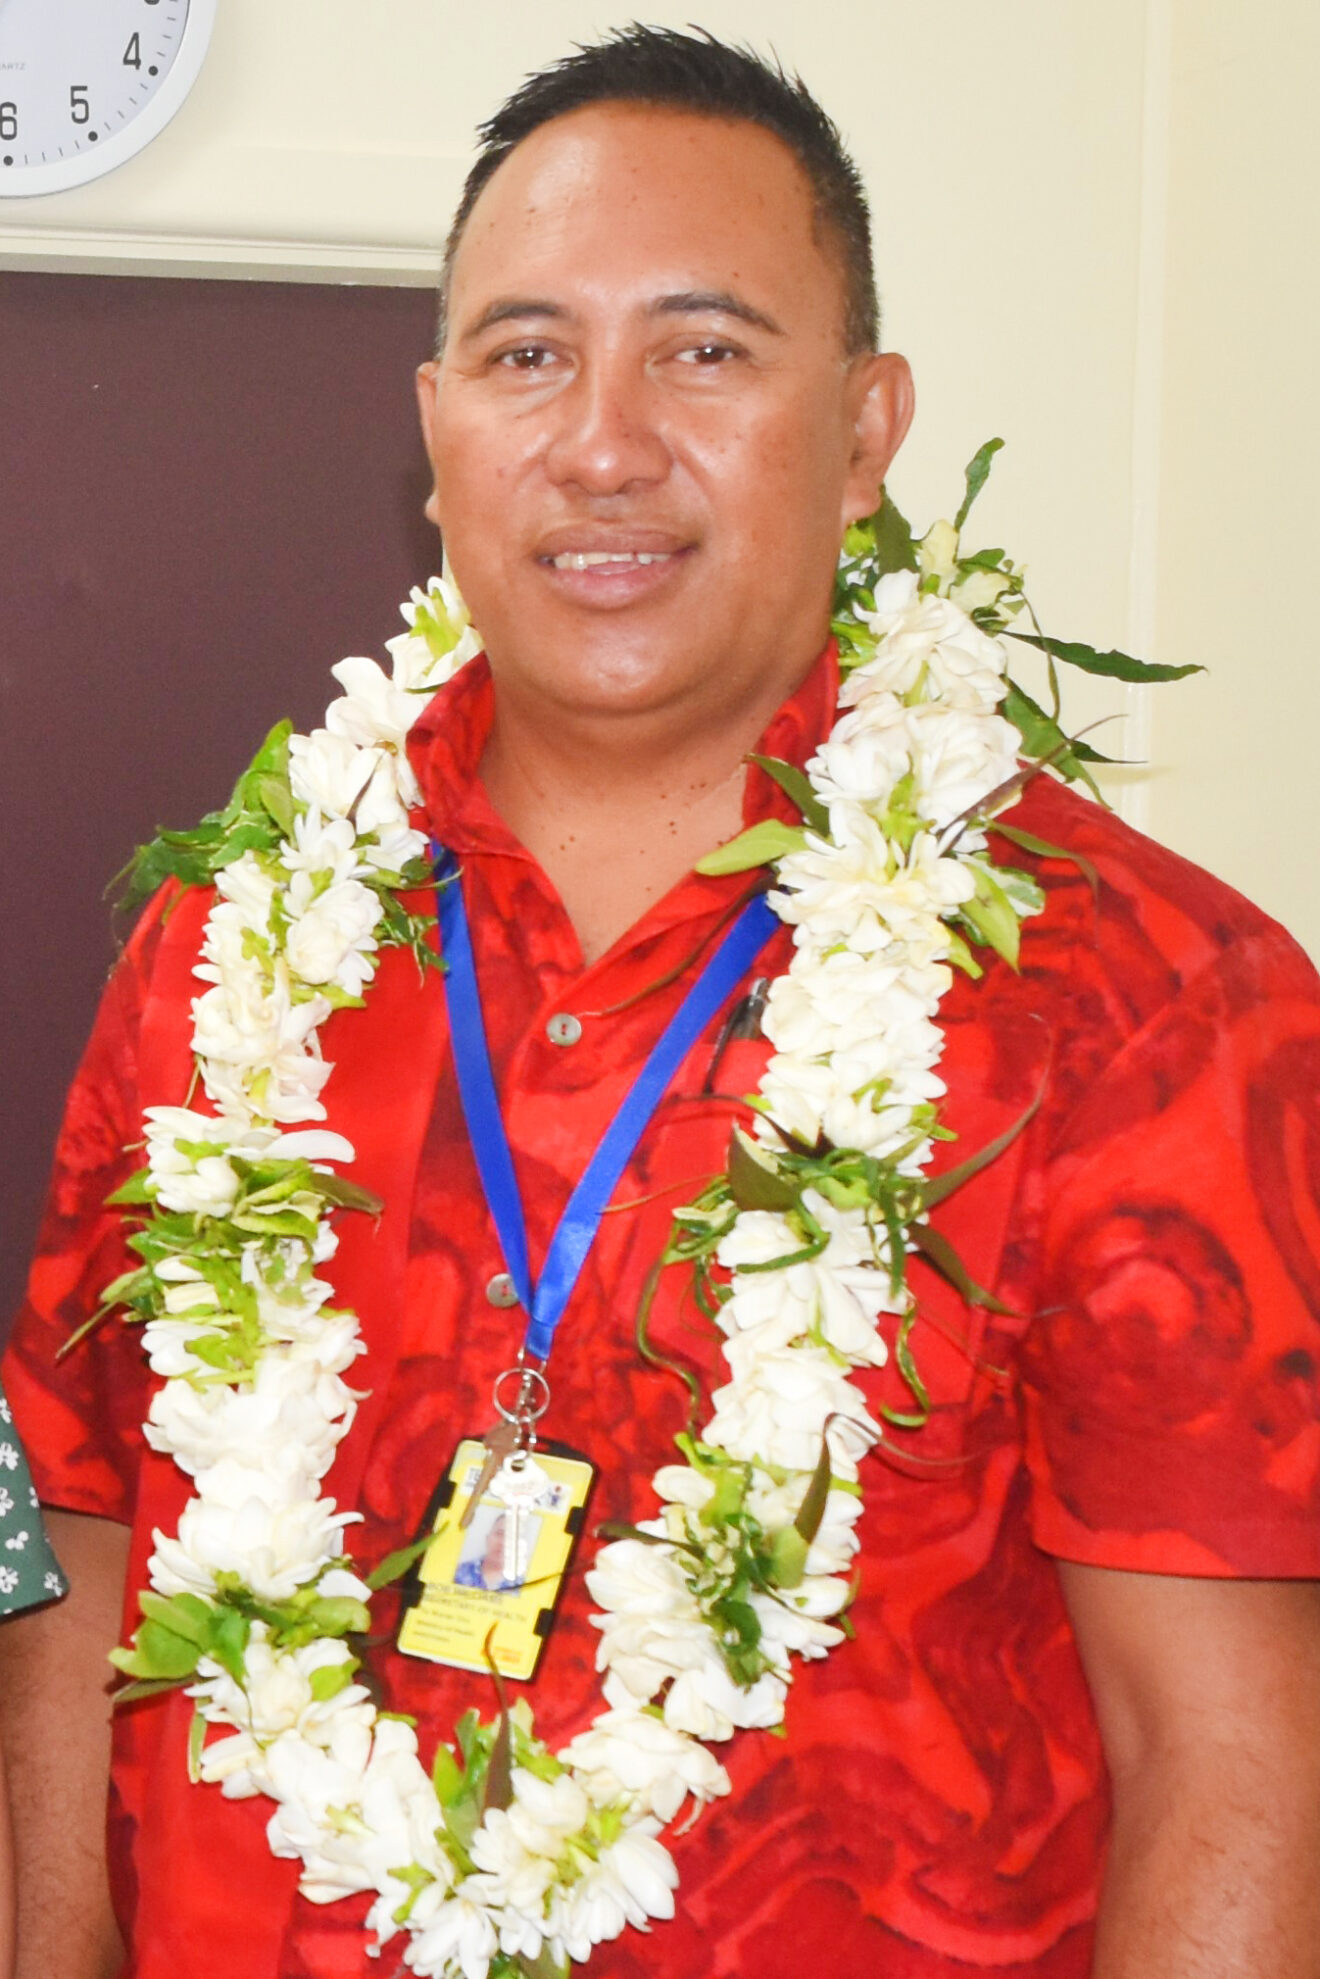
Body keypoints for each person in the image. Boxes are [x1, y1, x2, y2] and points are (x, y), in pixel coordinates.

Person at [3, 25, 1319, 1979]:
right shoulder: (218, 959)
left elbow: (1228, 1759)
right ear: (437, 426)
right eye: (528, 354)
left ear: (865, 429)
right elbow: (86, 1559)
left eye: (704, 350)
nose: (604, 440)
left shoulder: (1142, 1002)